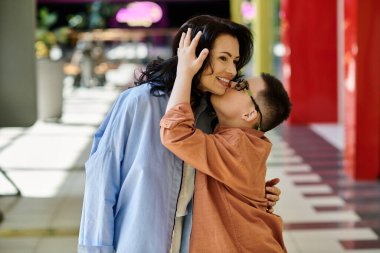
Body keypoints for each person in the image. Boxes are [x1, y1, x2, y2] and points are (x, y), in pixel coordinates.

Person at [78, 15, 282, 253]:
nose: (232, 70)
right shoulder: (140, 103)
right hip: (140, 241)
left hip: (193, 243)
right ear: (192, 53)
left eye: (235, 61)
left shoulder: (216, 116)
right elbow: (102, 181)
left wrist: (256, 193)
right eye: (223, 58)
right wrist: (96, 248)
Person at [160, 28, 291, 252]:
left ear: (250, 114)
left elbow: (175, 133)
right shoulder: (251, 142)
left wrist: (185, 72)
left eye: (241, 86)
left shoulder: (238, 146)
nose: (231, 80)